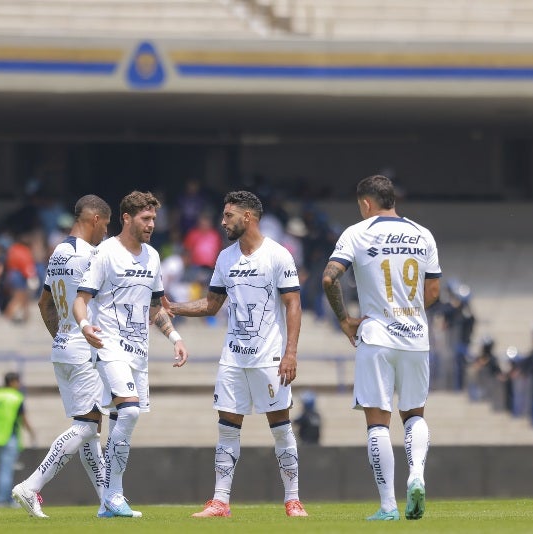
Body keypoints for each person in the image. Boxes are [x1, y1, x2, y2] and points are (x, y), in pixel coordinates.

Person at [165, 190, 308, 518]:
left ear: (248, 217)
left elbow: (293, 304)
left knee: (281, 427)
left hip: (269, 357)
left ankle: (293, 500)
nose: (222, 221)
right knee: (227, 428)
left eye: (228, 215)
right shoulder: (225, 257)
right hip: (233, 358)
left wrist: (291, 353)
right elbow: (212, 304)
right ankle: (220, 501)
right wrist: (176, 307)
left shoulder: (278, 255)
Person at [321, 174, 441, 521]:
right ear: (394, 201)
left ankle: (388, 505)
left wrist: (345, 319)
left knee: (378, 423)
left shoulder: (357, 233)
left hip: (376, 336)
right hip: (416, 336)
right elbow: (432, 293)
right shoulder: (422, 234)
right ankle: (416, 474)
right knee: (415, 414)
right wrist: (410, 311)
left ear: (366, 203)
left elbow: (329, 277)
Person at [73, 190, 188, 518]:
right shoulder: (105, 253)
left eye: (154, 218)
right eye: (145, 218)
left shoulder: (152, 257)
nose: (152, 224)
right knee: (130, 412)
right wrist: (84, 325)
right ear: (126, 218)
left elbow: (156, 308)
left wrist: (175, 337)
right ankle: (115, 494)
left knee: (119, 418)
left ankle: (107, 502)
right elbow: (80, 298)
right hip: (108, 346)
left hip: (139, 353)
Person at [11, 194, 113, 519]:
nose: (107, 233)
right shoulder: (92, 254)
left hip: (63, 347)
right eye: (106, 225)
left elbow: (44, 303)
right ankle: (31, 486)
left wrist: (61, 337)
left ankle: (108, 501)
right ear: (95, 219)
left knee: (90, 426)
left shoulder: (58, 252)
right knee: (87, 426)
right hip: (85, 347)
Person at [0, 372, 36, 507]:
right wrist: (31, 432)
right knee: (6, 470)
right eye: (18, 382)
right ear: (13, 382)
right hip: (10, 437)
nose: (19, 385)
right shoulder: (16, 397)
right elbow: (23, 419)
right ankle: (1, 500)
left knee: (4, 469)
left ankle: (6, 499)